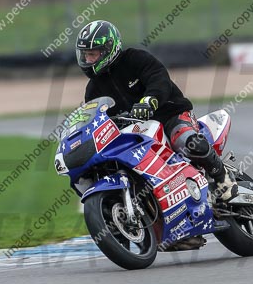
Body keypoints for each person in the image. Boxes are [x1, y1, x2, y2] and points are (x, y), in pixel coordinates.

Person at [75, 19, 238, 201]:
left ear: (108, 49)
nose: (88, 60)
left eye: (92, 54)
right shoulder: (93, 89)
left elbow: (159, 78)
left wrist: (149, 101)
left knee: (186, 140)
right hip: (133, 132)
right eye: (85, 55)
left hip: (169, 114)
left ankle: (222, 176)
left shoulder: (134, 58)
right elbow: (96, 117)